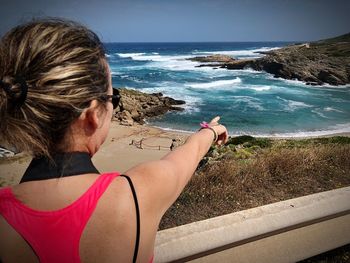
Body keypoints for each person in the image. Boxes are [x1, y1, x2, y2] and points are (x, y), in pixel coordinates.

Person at [0, 18, 228, 263]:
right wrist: (211, 131)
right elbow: (187, 155)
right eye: (113, 98)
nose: (114, 106)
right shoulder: (135, 195)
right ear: (92, 114)